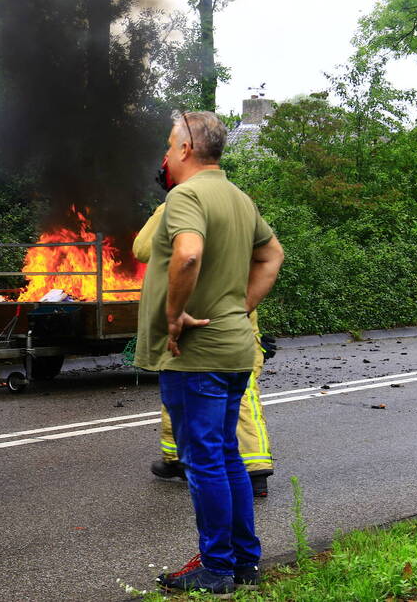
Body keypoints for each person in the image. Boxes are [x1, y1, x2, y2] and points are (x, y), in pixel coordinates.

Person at [134, 111, 284, 596]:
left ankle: (217, 569)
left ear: (184, 149)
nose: (166, 152)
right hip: (235, 348)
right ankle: (245, 561)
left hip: (196, 355)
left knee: (204, 463)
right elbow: (272, 255)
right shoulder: (239, 197)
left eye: (168, 143)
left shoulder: (187, 195)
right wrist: (241, 306)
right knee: (226, 456)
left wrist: (174, 314)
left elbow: (189, 253)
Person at [134, 202, 276, 497]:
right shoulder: (239, 205)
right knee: (203, 383)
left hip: (197, 310)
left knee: (225, 388)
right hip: (235, 310)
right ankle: (178, 458)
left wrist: (163, 212)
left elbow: (143, 249)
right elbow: (267, 256)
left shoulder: (178, 206)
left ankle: (254, 468)